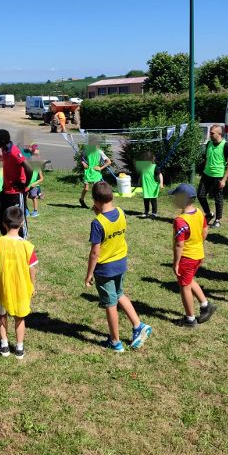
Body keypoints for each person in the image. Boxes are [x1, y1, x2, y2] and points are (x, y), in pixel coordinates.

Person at [85, 181, 152, 352]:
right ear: (112, 196)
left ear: (95, 201)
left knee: (110, 303)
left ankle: (115, 342)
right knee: (120, 294)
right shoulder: (121, 212)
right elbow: (113, 224)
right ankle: (138, 325)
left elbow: (95, 253)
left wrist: (89, 274)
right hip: (121, 262)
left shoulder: (97, 223)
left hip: (105, 268)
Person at [0, 206, 39, 359]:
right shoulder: (27, 246)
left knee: (2, 314)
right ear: (22, 223)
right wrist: (32, 285)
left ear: (3, 223)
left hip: (3, 287)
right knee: (20, 317)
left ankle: (4, 345)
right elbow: (32, 270)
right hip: (22, 288)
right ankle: (19, 348)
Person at [169, 184, 217, 327]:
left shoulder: (180, 220)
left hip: (187, 258)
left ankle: (190, 319)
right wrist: (198, 243)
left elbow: (179, 245)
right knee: (189, 280)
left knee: (184, 286)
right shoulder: (199, 212)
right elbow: (205, 230)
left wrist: (176, 262)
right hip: (198, 255)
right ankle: (205, 305)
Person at [0, 129, 34, 237]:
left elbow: (29, 169)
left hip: (16, 192)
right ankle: (7, 238)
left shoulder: (14, 151)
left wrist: (25, 184)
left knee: (18, 219)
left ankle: (22, 242)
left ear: (1, 140)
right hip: (6, 190)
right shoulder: (5, 150)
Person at [197, 125, 228, 228]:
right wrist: (203, 170)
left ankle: (218, 220)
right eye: (210, 133)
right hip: (206, 174)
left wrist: (224, 180)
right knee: (200, 195)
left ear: (219, 134)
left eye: (212, 133)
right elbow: (206, 159)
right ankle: (208, 214)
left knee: (218, 198)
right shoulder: (208, 144)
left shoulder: (226, 146)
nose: (210, 135)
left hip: (218, 176)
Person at [79, 139, 111, 209]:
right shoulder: (86, 151)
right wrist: (83, 163)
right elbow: (81, 157)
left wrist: (101, 168)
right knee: (86, 189)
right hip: (88, 171)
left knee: (95, 189)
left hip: (96, 172)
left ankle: (96, 205)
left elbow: (108, 161)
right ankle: (81, 200)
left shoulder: (100, 152)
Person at [137, 151, 164, 219]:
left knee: (153, 200)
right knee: (146, 199)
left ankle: (154, 213)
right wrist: (139, 182)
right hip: (146, 186)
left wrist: (161, 183)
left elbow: (160, 174)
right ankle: (146, 212)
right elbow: (141, 175)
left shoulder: (154, 167)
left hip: (153, 187)